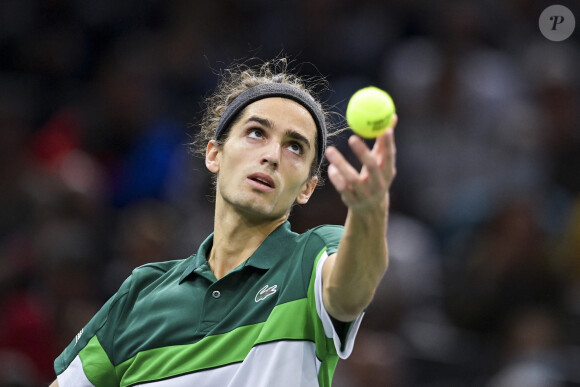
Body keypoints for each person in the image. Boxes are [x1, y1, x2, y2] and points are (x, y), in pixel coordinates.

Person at [50, 58, 398, 386]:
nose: (272, 155)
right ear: (214, 154)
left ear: (307, 188)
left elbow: (351, 290)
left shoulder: (313, 258)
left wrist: (370, 210)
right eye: (257, 132)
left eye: (295, 147)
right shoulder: (141, 294)